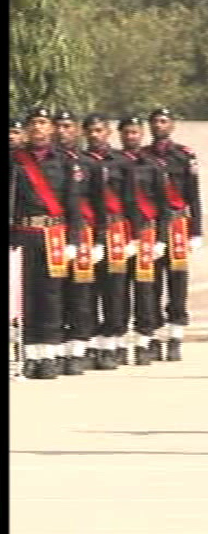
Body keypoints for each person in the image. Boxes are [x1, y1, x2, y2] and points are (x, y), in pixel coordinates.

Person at [10, 107, 80, 379]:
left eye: (43, 123)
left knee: (52, 295)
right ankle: (30, 355)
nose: (38, 128)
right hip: (23, 234)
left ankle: (49, 355)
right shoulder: (15, 161)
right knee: (26, 296)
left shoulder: (65, 162)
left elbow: (73, 204)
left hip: (54, 236)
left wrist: (73, 240)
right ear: (27, 130)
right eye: (33, 123)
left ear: (51, 128)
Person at [142, 107, 203, 362]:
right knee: (151, 284)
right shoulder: (141, 157)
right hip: (152, 227)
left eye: (164, 121)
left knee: (177, 283)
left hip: (178, 226)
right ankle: (154, 336)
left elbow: (193, 197)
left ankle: (176, 336)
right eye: (155, 121)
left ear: (172, 125)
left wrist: (196, 231)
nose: (159, 125)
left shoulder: (184, 157)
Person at [54, 110, 107, 374]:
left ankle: (79, 348)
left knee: (82, 294)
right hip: (52, 234)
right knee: (56, 294)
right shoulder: (48, 162)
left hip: (82, 234)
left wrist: (99, 240)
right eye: (59, 126)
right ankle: (57, 349)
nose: (63, 131)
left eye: (67, 126)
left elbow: (99, 205)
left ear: (76, 130)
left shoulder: (89, 164)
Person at [83, 114, 137, 366]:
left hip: (117, 230)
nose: (95, 135)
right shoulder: (79, 162)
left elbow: (131, 201)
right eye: (90, 131)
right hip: (88, 231)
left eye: (99, 130)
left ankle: (114, 342)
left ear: (108, 133)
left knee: (116, 290)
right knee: (87, 290)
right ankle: (92, 343)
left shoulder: (123, 163)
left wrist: (134, 237)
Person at [119, 116, 169, 366]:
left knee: (146, 291)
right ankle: (116, 343)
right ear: (120, 135)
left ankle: (145, 341)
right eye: (127, 132)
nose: (131, 137)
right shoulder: (113, 163)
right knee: (116, 291)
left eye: (135, 132)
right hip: (118, 234)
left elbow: (163, 205)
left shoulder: (154, 166)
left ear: (142, 134)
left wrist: (161, 238)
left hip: (147, 234)